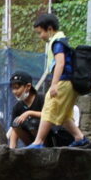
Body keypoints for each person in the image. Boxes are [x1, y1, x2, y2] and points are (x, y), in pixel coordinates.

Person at [25, 11, 80, 148]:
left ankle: (38, 141)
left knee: (48, 108)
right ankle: (80, 137)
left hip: (63, 81)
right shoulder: (60, 41)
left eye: (40, 32)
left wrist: (54, 84)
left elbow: (60, 63)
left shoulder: (58, 43)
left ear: (49, 29)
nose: (40, 36)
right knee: (64, 114)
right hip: (68, 82)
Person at [7, 72, 44, 149]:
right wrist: (11, 150)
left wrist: (29, 113)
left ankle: (40, 145)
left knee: (33, 123)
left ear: (28, 86)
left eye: (17, 88)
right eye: (13, 88)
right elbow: (14, 129)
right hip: (30, 144)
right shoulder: (17, 107)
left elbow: (51, 116)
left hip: (46, 140)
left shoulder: (41, 99)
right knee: (16, 123)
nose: (14, 92)